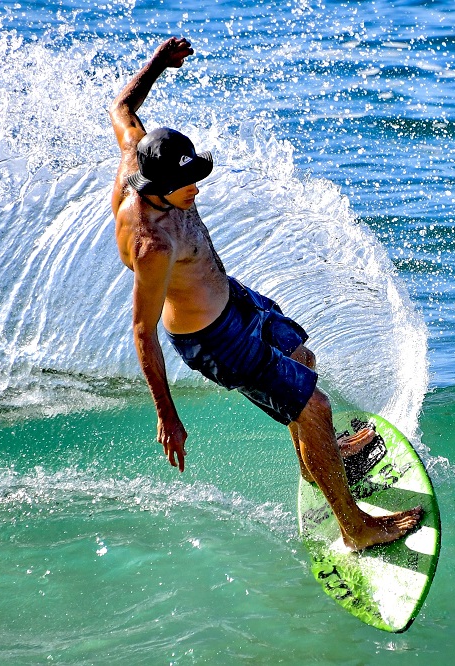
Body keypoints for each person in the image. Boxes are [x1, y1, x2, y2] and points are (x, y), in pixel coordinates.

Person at [109, 37, 422, 551]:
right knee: (314, 406)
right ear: (157, 187)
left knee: (302, 357)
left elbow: (122, 107)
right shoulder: (153, 243)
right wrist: (167, 414)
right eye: (187, 184)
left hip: (232, 299)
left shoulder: (137, 157)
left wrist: (159, 65)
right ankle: (356, 529)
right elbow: (143, 330)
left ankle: (318, 462)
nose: (198, 189)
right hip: (215, 339)